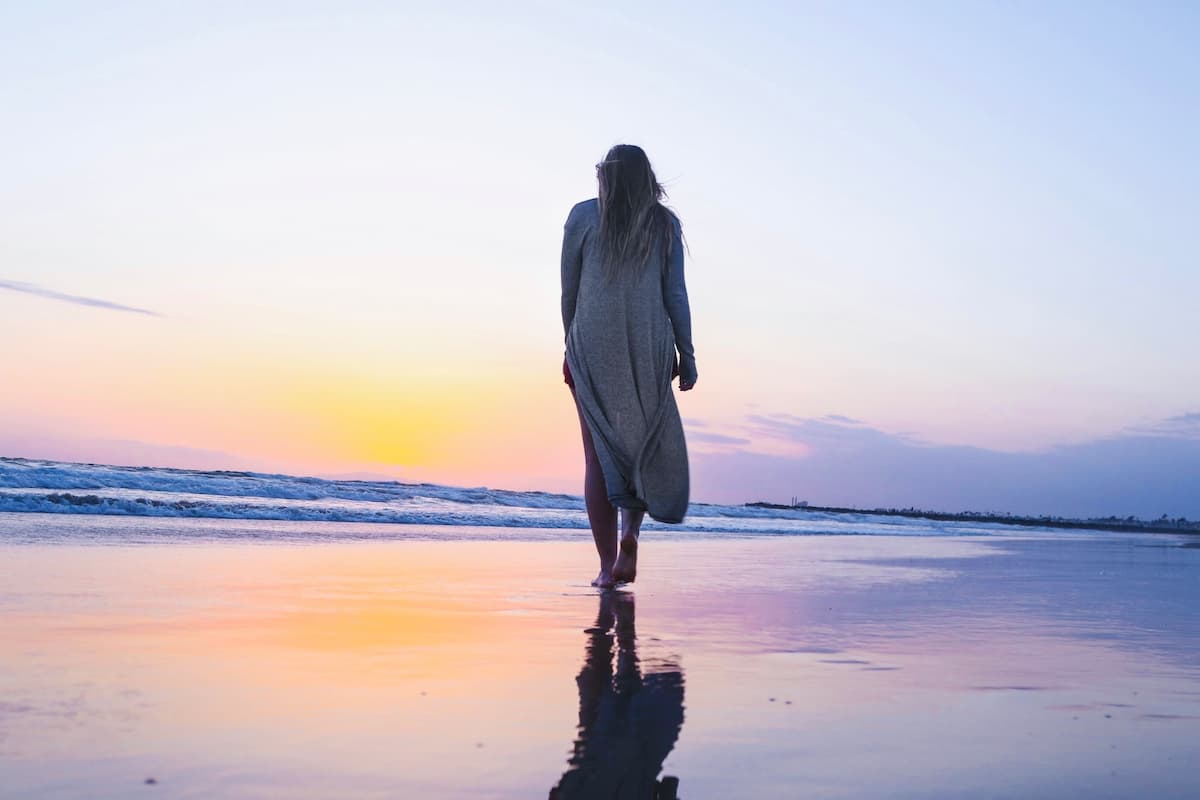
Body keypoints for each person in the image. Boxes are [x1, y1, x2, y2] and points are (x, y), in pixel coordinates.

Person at [560, 144, 697, 589]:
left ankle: (605, 567)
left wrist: (569, 347)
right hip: (648, 345)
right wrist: (687, 355)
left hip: (592, 345)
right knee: (640, 450)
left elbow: (570, 292)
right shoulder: (665, 225)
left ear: (605, 176)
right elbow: (675, 294)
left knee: (596, 457)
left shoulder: (582, 217)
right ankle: (630, 536)